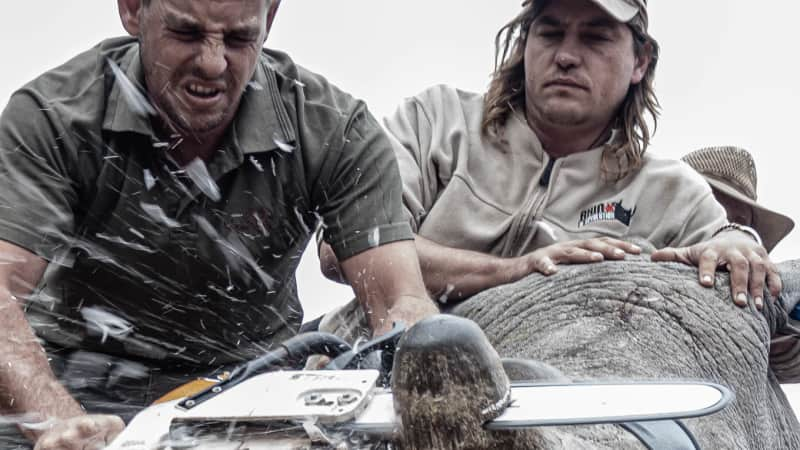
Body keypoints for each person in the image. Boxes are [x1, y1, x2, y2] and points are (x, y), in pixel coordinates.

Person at [0, 0, 438, 448]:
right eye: (187, 34)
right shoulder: (51, 116)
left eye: (238, 38)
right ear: (133, 10)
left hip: (249, 395)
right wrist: (56, 423)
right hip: (70, 381)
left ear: (269, 20)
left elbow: (399, 305)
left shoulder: (335, 130)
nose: (212, 64)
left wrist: (419, 369)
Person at [319, 0, 780, 341]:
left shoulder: (672, 193)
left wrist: (739, 244)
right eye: (549, 33)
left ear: (641, 62)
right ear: (523, 45)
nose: (566, 55)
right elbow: (344, 247)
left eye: (596, 37)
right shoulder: (436, 121)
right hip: (358, 376)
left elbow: (726, 250)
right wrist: (515, 271)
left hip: (554, 411)